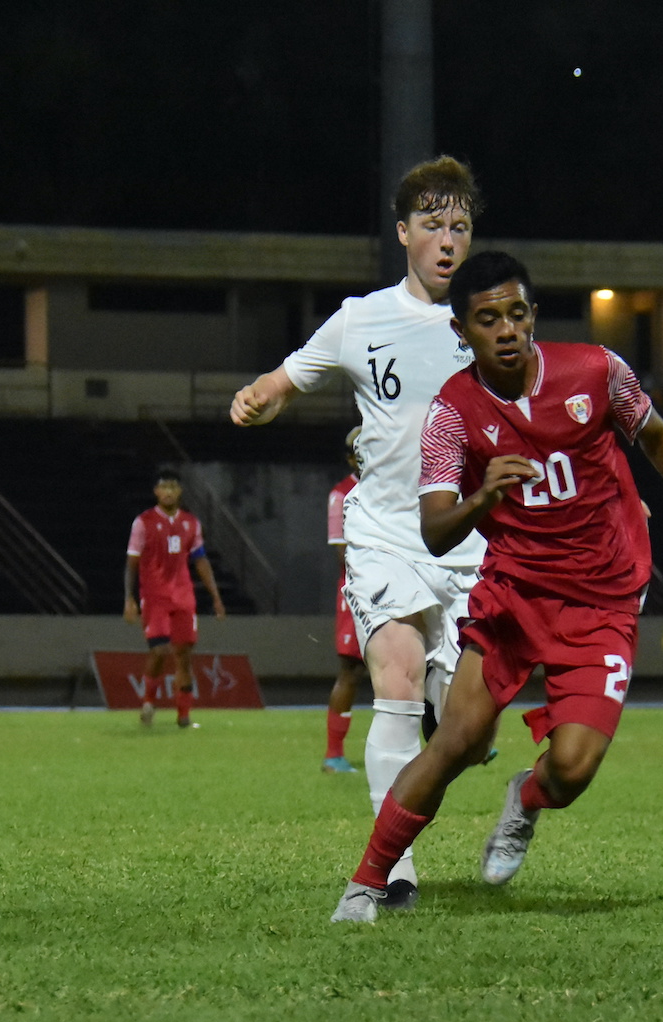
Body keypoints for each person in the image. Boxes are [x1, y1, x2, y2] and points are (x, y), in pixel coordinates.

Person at [330, 250, 663, 923]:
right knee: (456, 739)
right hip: (515, 594)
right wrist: (483, 497)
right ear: (462, 332)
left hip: (604, 599)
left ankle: (525, 799)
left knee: (572, 769)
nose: (507, 329)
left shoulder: (598, 372)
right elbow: (435, 530)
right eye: (488, 319)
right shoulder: (452, 415)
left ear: (533, 316)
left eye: (517, 313)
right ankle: (367, 883)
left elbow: (659, 438)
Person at [229, 156, 485, 910]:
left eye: (460, 226)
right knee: (395, 682)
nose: (447, 239)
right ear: (403, 231)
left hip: (470, 545)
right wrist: (259, 396)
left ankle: (446, 732)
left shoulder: (493, 321)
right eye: (433, 224)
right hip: (385, 534)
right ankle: (393, 870)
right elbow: (290, 375)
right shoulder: (360, 317)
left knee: (466, 724)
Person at [122, 466, 228, 730]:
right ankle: (148, 701)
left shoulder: (191, 523)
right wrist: (129, 598)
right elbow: (132, 563)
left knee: (183, 655)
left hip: (183, 596)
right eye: (163, 487)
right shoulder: (143, 522)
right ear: (156, 491)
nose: (168, 492)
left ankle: (183, 716)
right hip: (155, 596)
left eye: (173, 487)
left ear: (179, 491)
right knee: (159, 650)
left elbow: (200, 560)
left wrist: (215, 596)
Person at [322, 428, 365, 773]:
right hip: (356, 591)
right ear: (350, 456)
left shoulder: (392, 486)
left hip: (397, 588)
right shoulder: (341, 494)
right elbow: (342, 552)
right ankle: (333, 753)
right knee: (350, 669)